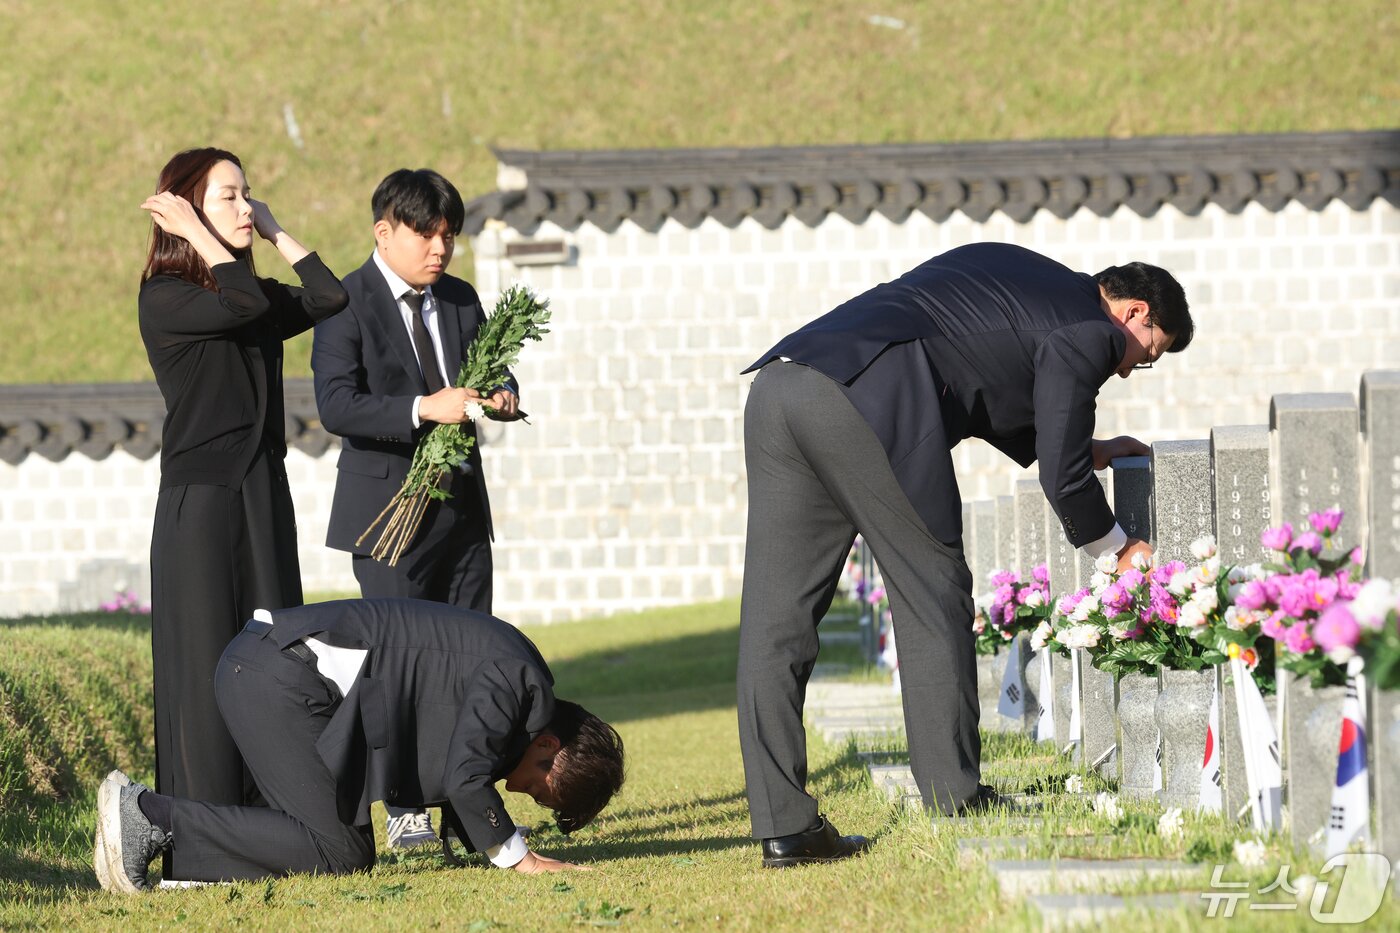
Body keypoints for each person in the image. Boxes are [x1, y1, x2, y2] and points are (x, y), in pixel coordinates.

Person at [736, 242, 1193, 867]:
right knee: (933, 591)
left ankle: (784, 827)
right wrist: (1118, 548)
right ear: (1135, 313)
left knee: (773, 626)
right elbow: (1060, 476)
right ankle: (955, 794)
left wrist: (1090, 447)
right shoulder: (1091, 332)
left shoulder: (1028, 276)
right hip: (869, 404)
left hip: (784, 386)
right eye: (1147, 356)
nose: (1126, 368)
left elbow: (983, 374)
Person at [93, 598, 626, 891]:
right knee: (341, 852)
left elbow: (453, 755)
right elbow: (465, 773)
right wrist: (518, 859)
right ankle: (146, 814)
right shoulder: (519, 679)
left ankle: (179, 866)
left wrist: (469, 837)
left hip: (272, 670)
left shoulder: (520, 679)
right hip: (275, 675)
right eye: (539, 787)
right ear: (551, 744)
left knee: (337, 844)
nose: (523, 791)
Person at [138, 148, 348, 880]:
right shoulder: (167, 295)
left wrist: (278, 228)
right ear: (189, 209)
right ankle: (195, 847)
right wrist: (201, 235)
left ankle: (277, 830)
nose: (245, 208)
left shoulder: (244, 291)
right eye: (230, 197)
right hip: (200, 507)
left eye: (249, 195)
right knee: (203, 670)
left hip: (262, 496)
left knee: (274, 662)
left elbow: (327, 297)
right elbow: (249, 305)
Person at [313, 168, 523, 850]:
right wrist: (418, 409)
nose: (440, 248)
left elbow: (494, 369)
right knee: (398, 662)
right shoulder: (346, 301)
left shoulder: (460, 299)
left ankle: (466, 804)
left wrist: (502, 395)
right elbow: (336, 404)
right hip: (388, 518)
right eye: (426, 233)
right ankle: (404, 802)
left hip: (461, 513)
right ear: (384, 230)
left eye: (449, 236)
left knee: (473, 659)